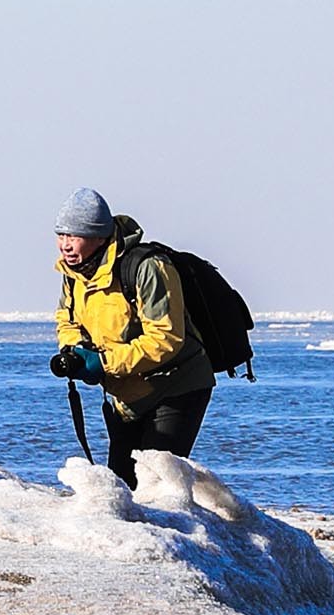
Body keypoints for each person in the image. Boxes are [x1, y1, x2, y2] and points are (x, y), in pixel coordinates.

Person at [48, 190, 217, 482]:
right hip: (128, 394)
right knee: (122, 485)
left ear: (100, 237)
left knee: (156, 485)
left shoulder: (147, 267)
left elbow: (165, 338)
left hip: (177, 386)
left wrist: (103, 363)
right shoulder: (74, 274)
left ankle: (190, 526)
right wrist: (74, 350)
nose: (65, 245)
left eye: (74, 236)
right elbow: (67, 318)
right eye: (61, 235)